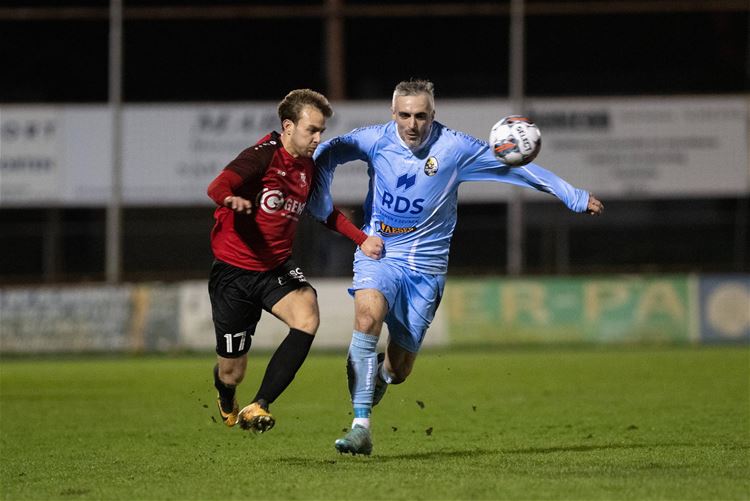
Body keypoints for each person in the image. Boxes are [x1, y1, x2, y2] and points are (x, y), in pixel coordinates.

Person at [308, 79, 604, 455]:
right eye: (404, 115)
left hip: (428, 269)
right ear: (392, 113)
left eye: (421, 116)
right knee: (367, 320)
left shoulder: (455, 148)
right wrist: (320, 203)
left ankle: (381, 376)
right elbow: (328, 153)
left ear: (433, 115)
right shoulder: (373, 140)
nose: (412, 124)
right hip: (380, 252)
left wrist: (573, 195)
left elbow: (516, 170)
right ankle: (361, 426)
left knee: (399, 372)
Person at [206, 89, 383, 433]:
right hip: (234, 274)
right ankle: (226, 394)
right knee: (232, 371)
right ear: (288, 126)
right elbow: (218, 184)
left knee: (307, 315)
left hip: (275, 267)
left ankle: (260, 404)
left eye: (321, 131)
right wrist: (229, 198)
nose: (318, 138)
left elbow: (324, 213)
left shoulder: (307, 168)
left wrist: (362, 240)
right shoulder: (262, 157)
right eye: (311, 130)